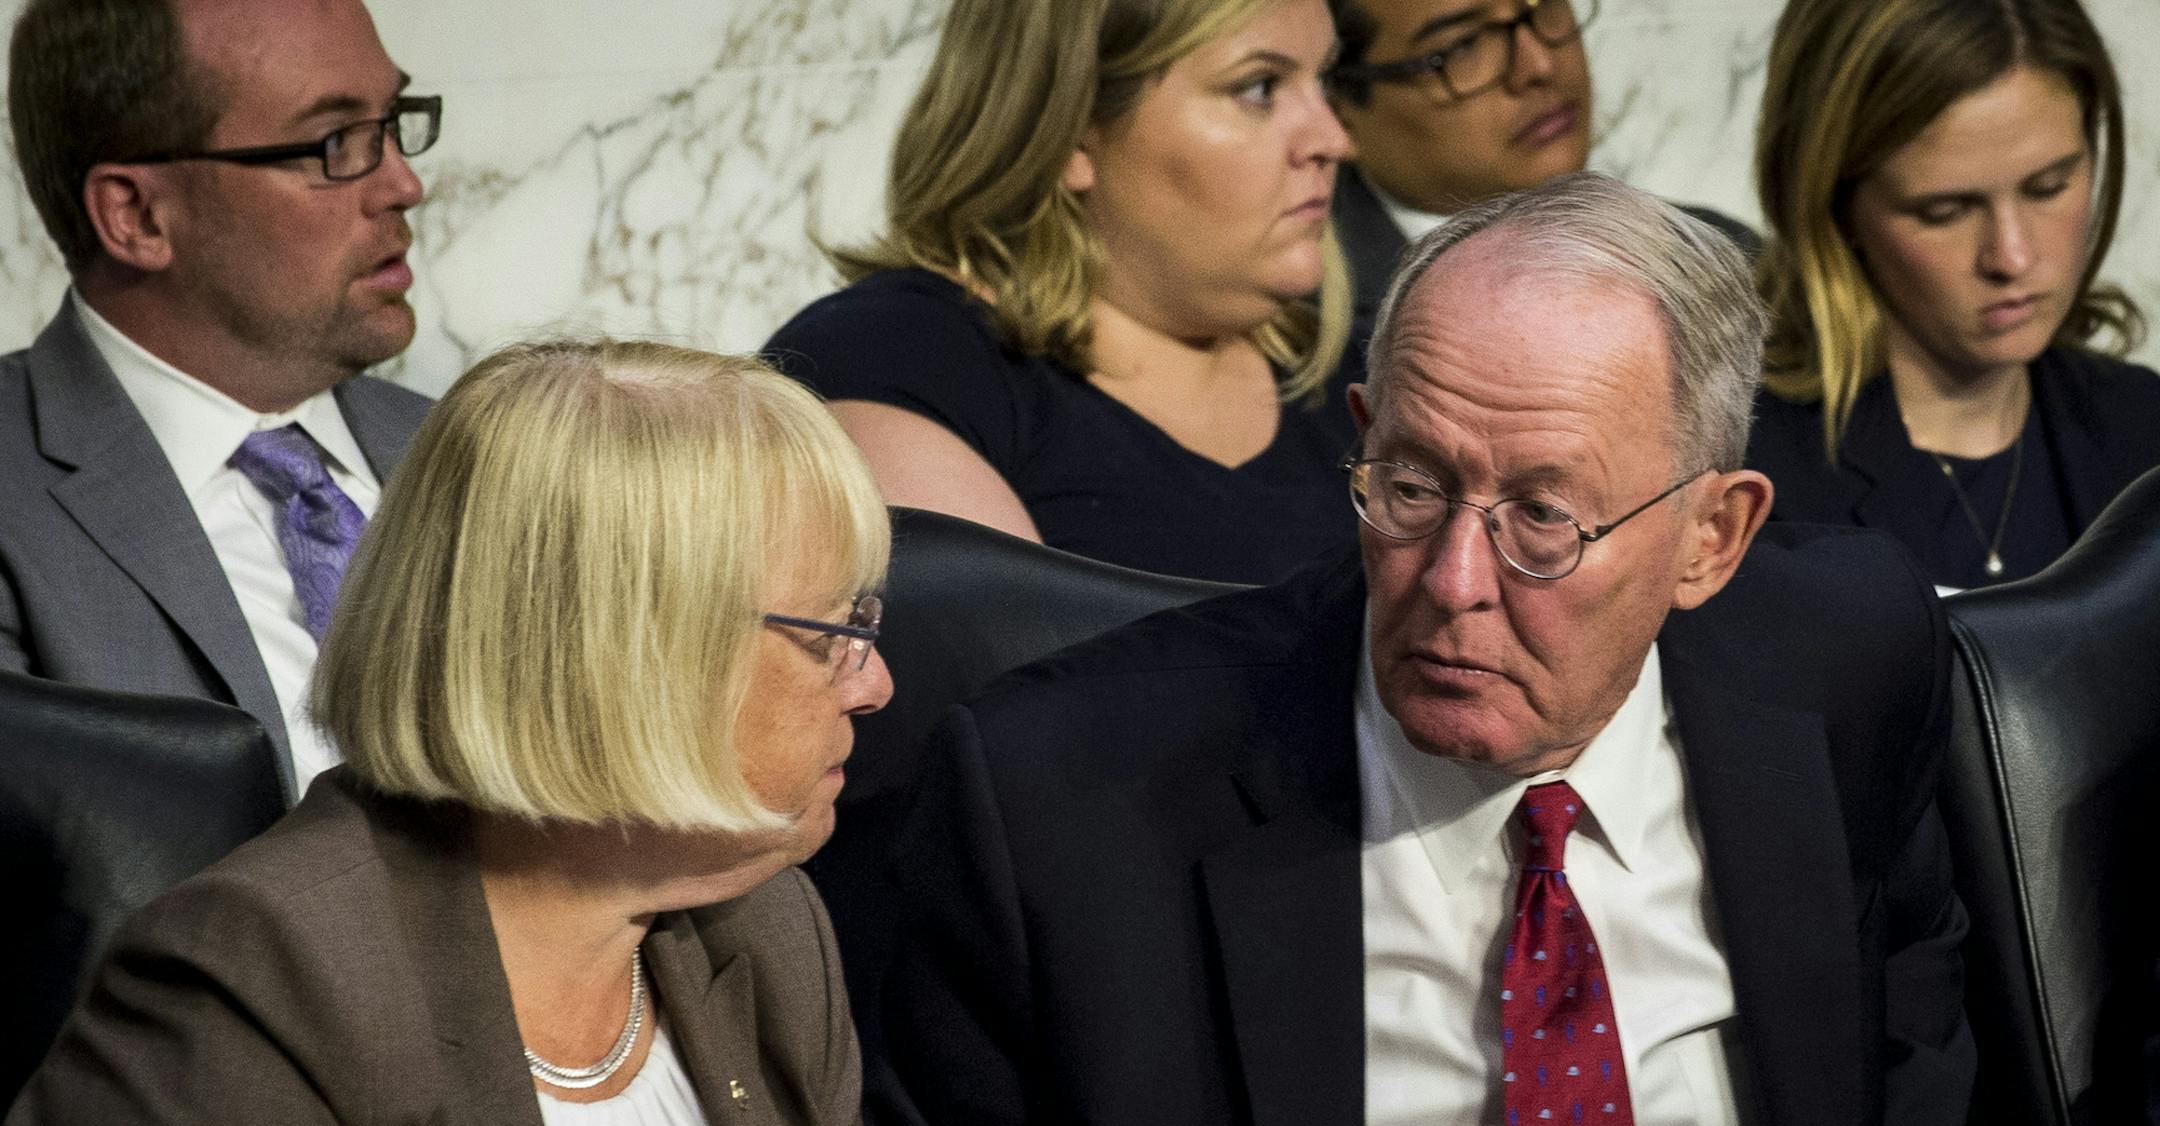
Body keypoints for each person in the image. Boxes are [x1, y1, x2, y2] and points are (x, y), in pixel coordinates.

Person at [866, 175, 1974, 1126]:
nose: (1451, 582)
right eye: (1410, 485)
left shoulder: (1847, 666)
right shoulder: (1062, 800)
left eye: (1544, 517)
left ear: (1710, 537)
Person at [0, 342, 892, 1126]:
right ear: (638, 657)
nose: (875, 682)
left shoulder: (768, 932)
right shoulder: (252, 995)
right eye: (839, 630)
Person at [0, 0, 436, 801]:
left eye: (393, 121)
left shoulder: (470, 451)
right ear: (136, 215)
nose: (405, 185)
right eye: (336, 142)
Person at [763, 0, 1360, 585]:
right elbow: (993, 673)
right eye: (1258, 88)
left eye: (1325, 78)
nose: (1333, 141)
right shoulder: (898, 362)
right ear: (1072, 131)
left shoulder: (1372, 372)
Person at [1747, 0, 2160, 590]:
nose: (2012, 257)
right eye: (1945, 211)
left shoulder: (2143, 431)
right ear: (1834, 210)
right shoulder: (1748, 485)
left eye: (2049, 187)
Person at [1323, 0, 1758, 327]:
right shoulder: (1298, 336)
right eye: (1463, 46)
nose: (1539, 65)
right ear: (1339, 106)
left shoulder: (1731, 267)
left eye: (1543, 5)